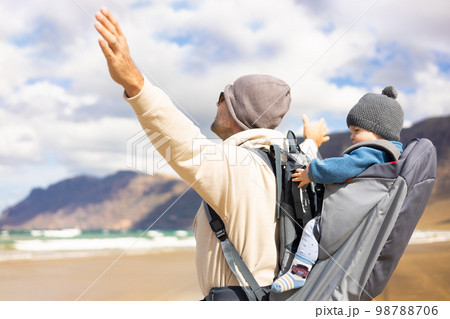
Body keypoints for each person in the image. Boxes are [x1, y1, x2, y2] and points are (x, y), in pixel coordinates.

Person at [94, 7, 329, 300]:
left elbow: (183, 142)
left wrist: (135, 84)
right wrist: (312, 141)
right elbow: (305, 153)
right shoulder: (291, 163)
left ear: (234, 111)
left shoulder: (238, 166)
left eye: (223, 97)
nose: (216, 103)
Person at [271, 85, 404, 293]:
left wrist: (311, 172)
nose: (352, 137)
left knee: (312, 230)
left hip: (345, 214)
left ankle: (298, 272)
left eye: (357, 131)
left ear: (379, 131)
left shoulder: (371, 152)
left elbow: (341, 167)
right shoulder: (389, 154)